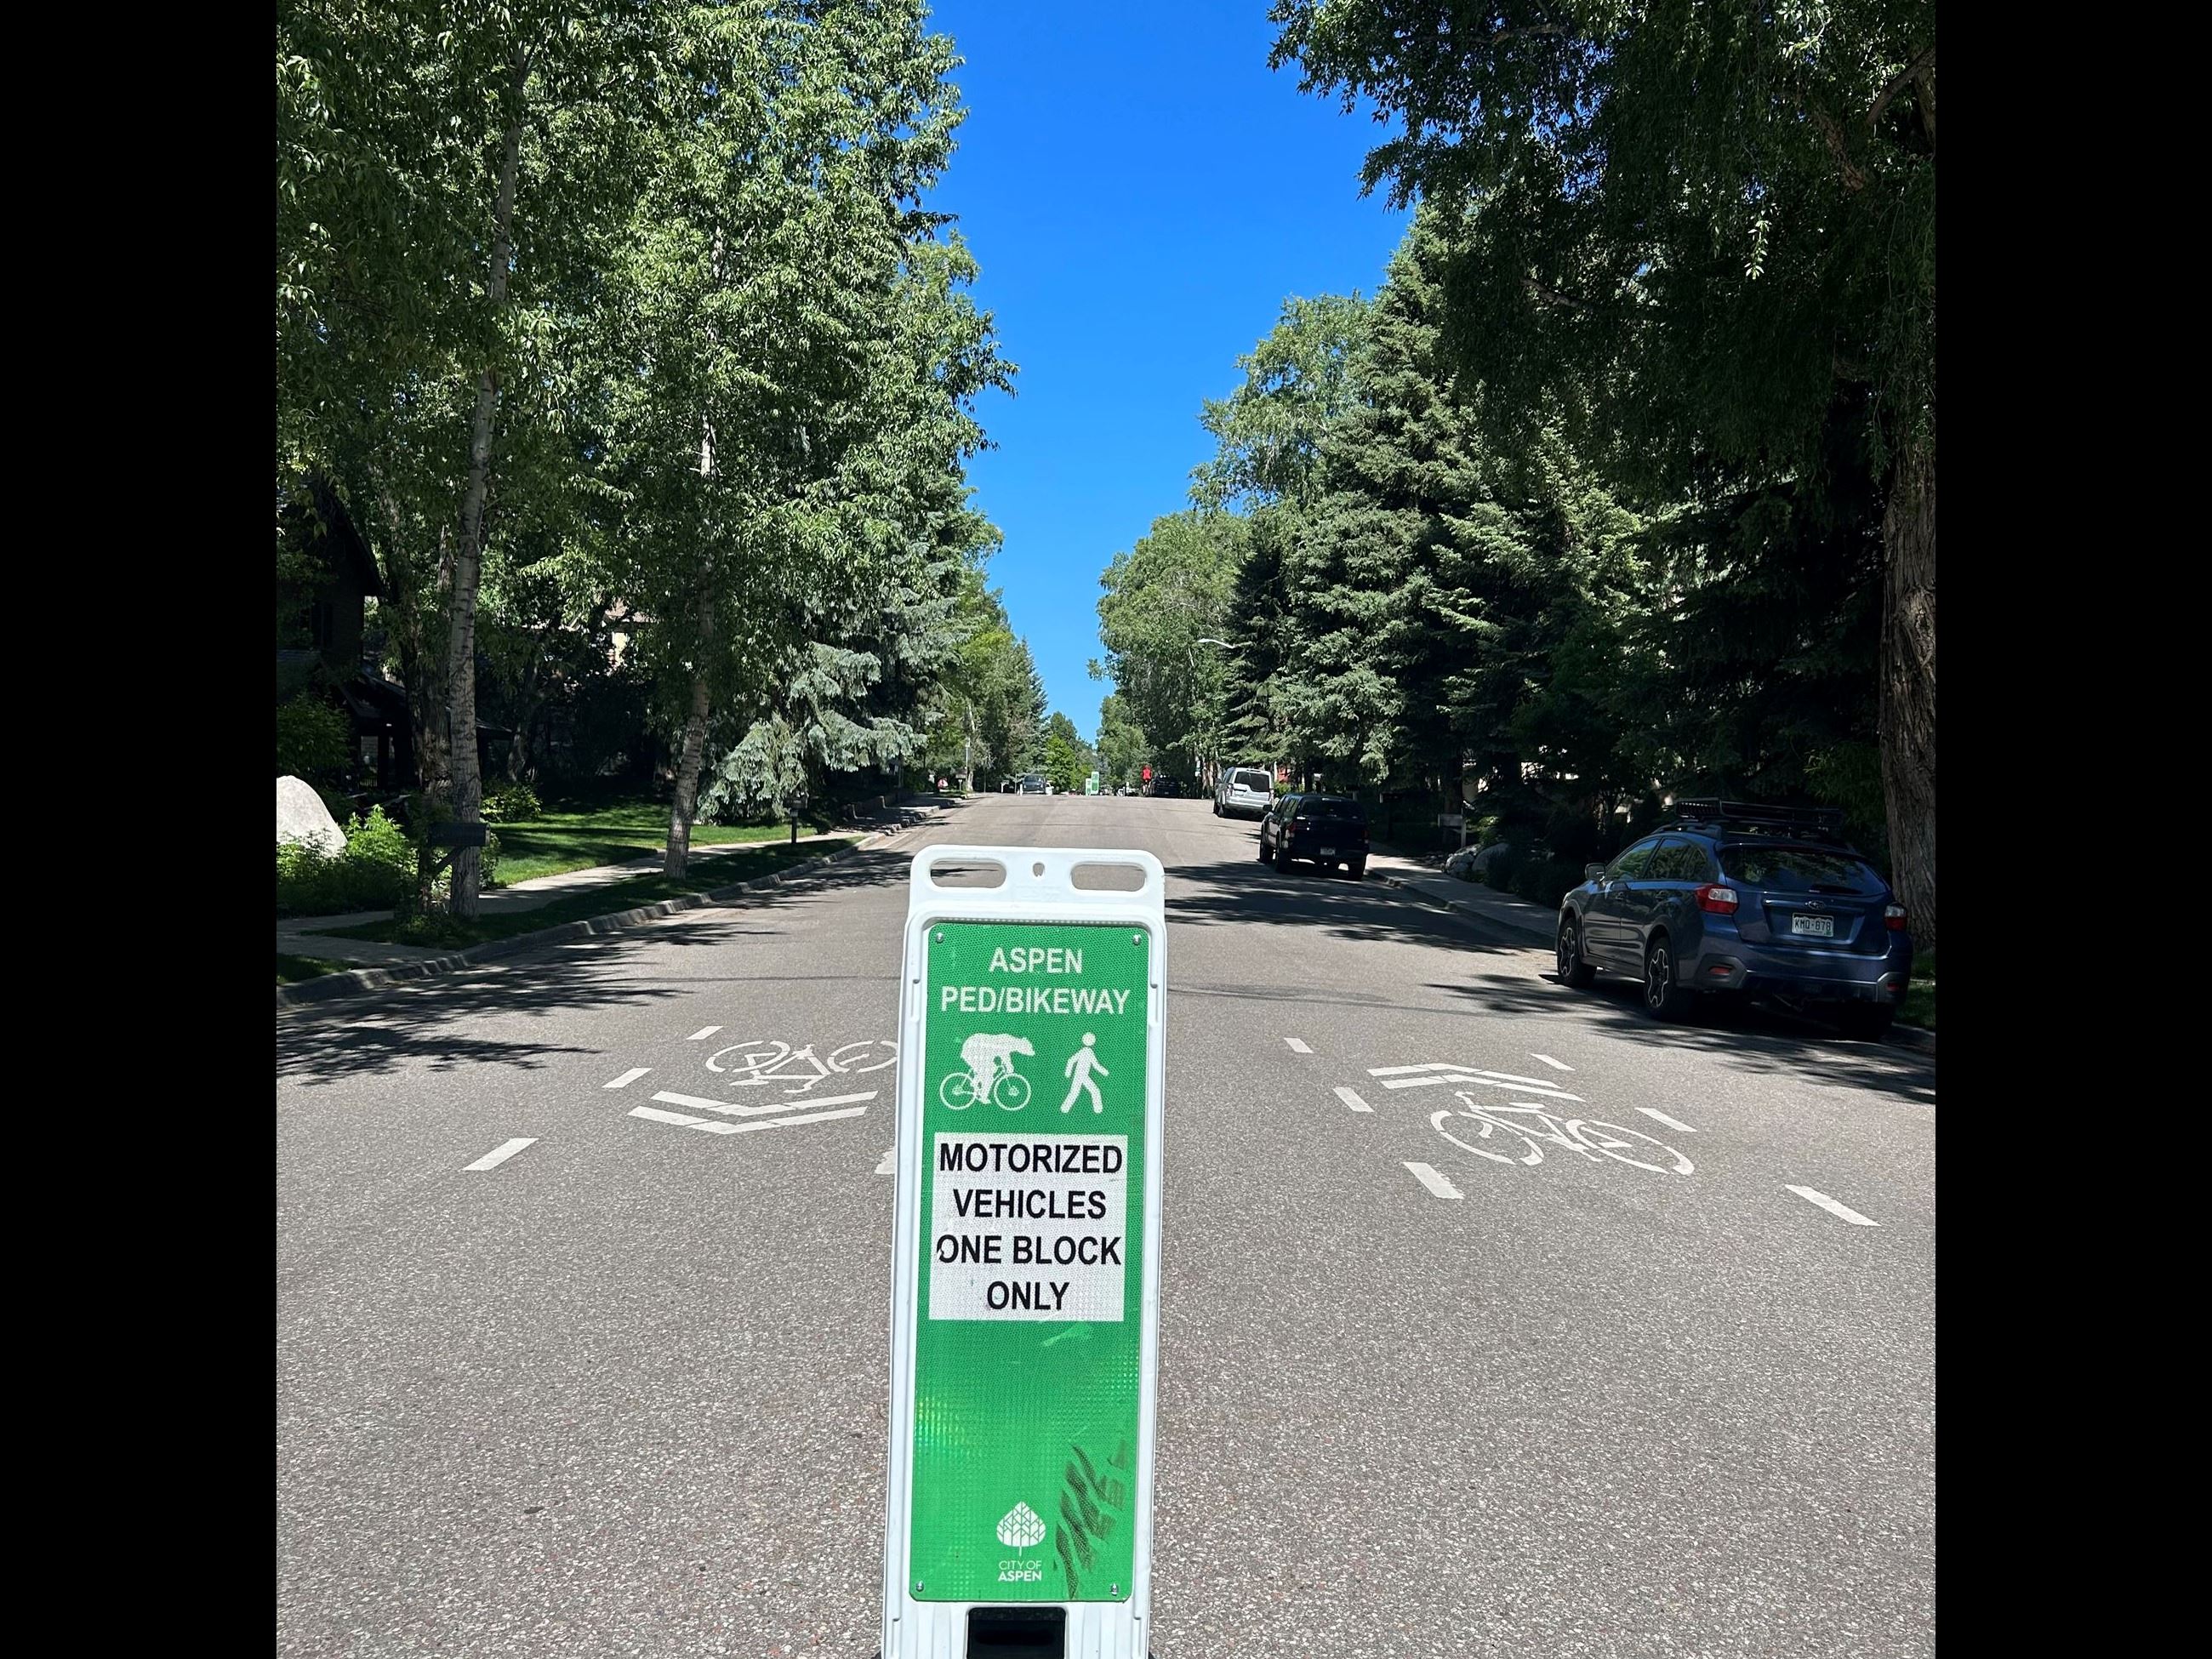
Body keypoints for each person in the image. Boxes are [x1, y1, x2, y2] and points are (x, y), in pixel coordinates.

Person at [1059, 1033, 1109, 1114]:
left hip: (1081, 1076)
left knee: (1076, 1092)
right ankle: (1098, 1109)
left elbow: (1071, 1060)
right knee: (1094, 1091)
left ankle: (1065, 1109)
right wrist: (1104, 1072)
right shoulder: (1088, 1051)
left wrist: (1068, 1073)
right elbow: (1095, 1065)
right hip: (1081, 1076)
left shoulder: (1086, 1051)